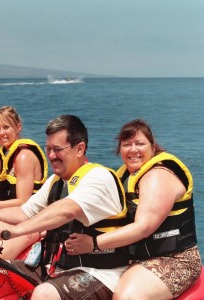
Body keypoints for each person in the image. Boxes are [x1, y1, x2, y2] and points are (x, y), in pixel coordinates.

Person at [0, 114, 128, 300]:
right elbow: (23, 212)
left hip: (100, 273)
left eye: (58, 149)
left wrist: (15, 231)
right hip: (57, 267)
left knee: (45, 294)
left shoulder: (99, 177)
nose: (51, 156)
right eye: (48, 148)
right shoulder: (56, 182)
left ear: (79, 149)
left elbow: (66, 210)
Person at [65, 119, 201, 299]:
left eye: (140, 143)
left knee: (126, 297)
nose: (133, 149)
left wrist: (93, 244)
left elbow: (143, 228)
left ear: (153, 148)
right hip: (129, 258)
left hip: (174, 259)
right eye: (127, 144)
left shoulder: (158, 176)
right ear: (119, 150)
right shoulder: (122, 177)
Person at [0, 106, 48, 259]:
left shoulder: (23, 156)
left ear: (18, 127)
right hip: (11, 217)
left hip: (31, 222)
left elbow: (23, 202)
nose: (1, 133)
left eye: (6, 127)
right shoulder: (7, 153)